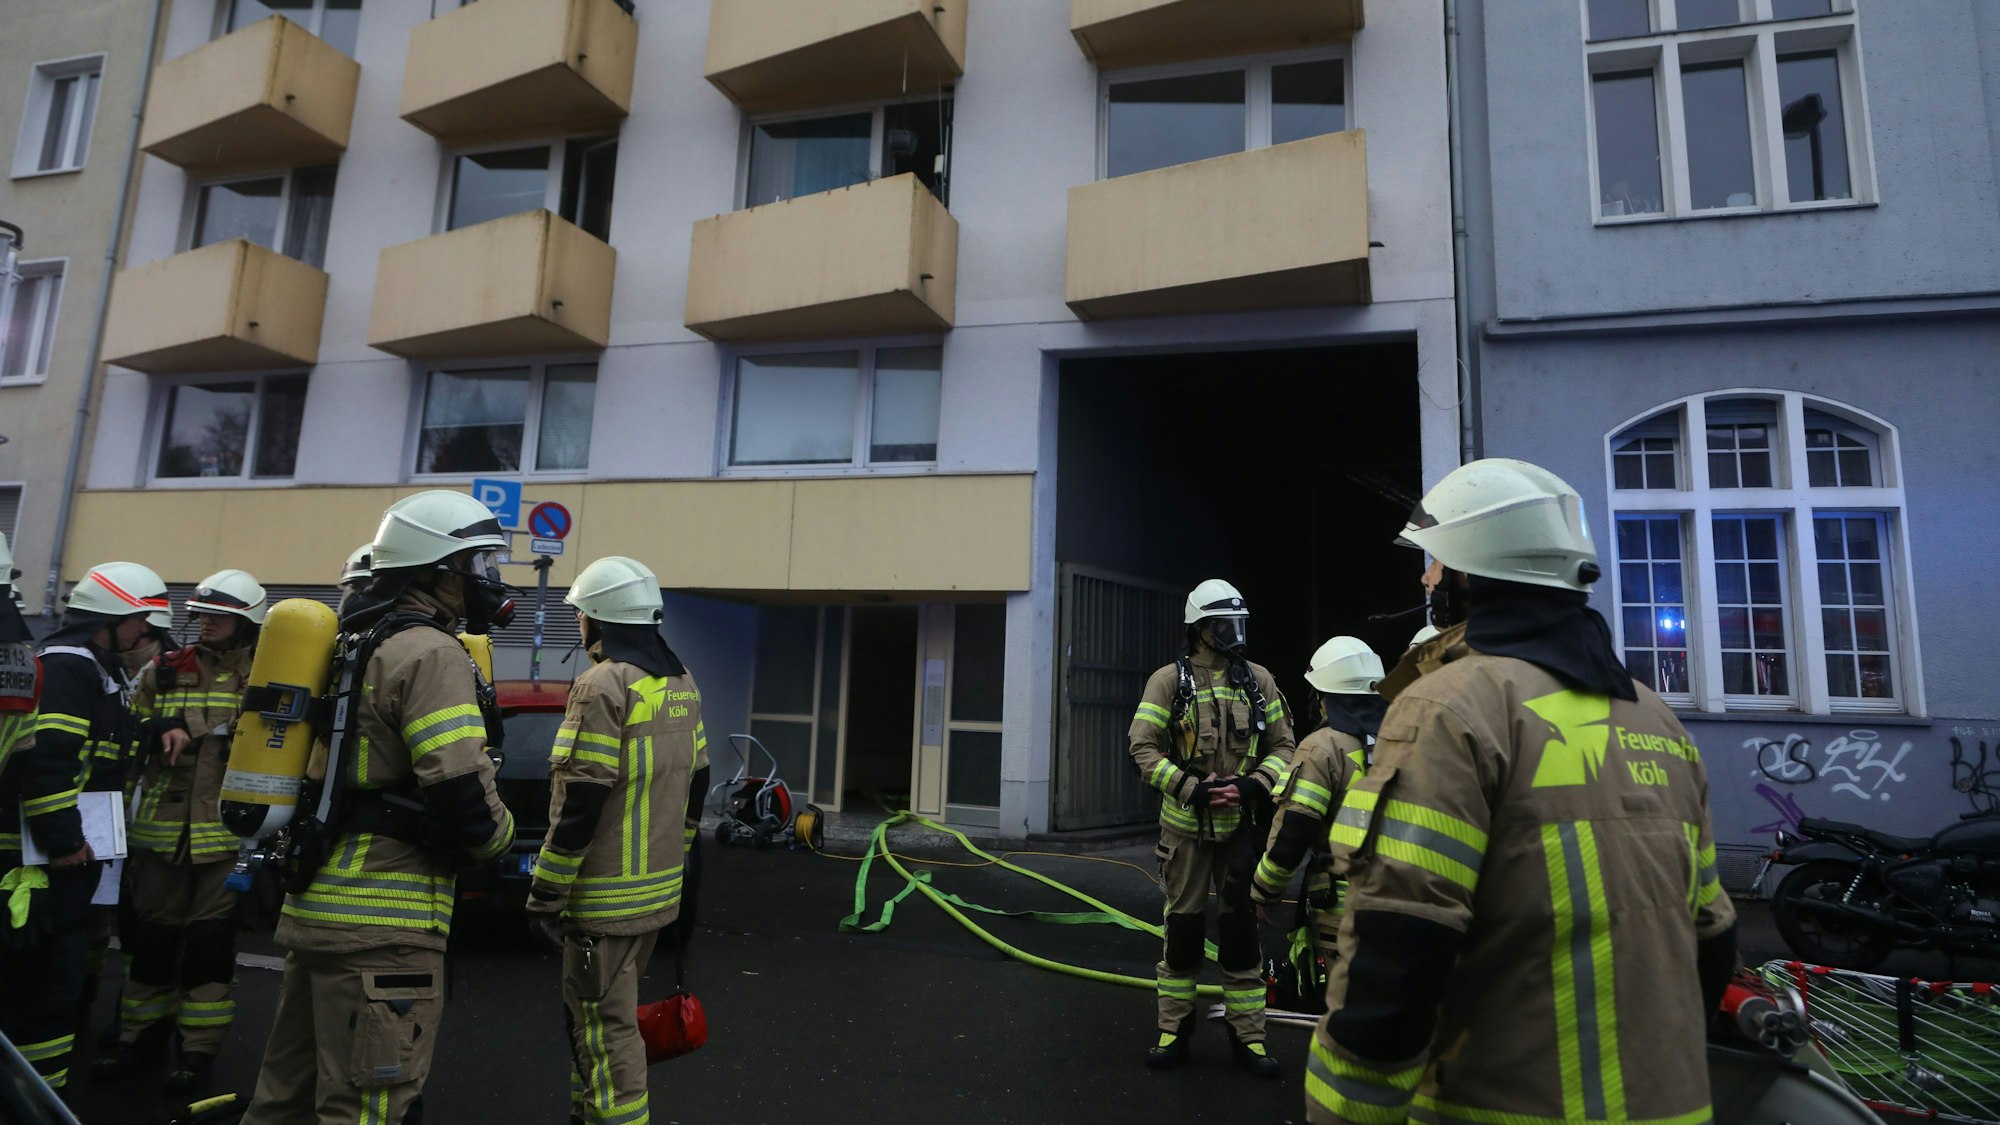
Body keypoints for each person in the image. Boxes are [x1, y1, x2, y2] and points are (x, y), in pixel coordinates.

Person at [1308, 459, 1737, 1125]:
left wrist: (1345, 1112)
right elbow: (1711, 935)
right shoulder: (1659, 721)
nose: (1427, 578)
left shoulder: (1451, 709)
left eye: (1436, 563)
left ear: (1472, 574)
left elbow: (1403, 941)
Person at [241, 491, 516, 1125]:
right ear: (436, 569)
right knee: (366, 1107)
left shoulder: (352, 639)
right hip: (384, 926)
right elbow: (460, 790)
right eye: (477, 563)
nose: (488, 578)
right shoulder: (429, 652)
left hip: (318, 905)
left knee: (283, 1099)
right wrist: (498, 845)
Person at [525, 556, 709, 1125]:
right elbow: (698, 781)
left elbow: (581, 801)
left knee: (605, 1032)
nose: (579, 625)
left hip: (602, 901)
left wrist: (545, 895)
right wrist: (676, 859)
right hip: (655, 895)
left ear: (597, 619)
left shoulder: (603, 683)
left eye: (580, 615)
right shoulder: (680, 682)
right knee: (603, 1023)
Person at [0, 560, 169, 1095]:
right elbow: (48, 760)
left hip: (60, 859)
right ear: (116, 615)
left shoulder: (94, 668)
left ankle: (37, 1092)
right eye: (142, 621)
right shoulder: (71, 667)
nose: (146, 634)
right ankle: (32, 1099)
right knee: (45, 989)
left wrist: (158, 727)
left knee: (55, 985)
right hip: (45, 863)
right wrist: (64, 841)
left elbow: (102, 745)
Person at [94, 570, 267, 1092]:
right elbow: (125, 737)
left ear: (247, 622)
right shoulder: (165, 669)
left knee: (209, 950)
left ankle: (197, 1054)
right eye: (202, 614)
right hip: (159, 837)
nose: (205, 622)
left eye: (220, 616)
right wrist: (150, 733)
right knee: (151, 944)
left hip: (226, 838)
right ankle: (139, 1040)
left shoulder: (270, 674)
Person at [1128, 578, 1295, 1076]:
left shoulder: (1259, 680)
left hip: (1239, 830)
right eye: (1224, 624)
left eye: (1238, 623)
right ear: (1199, 629)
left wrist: (1252, 786)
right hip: (1184, 835)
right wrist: (1191, 788)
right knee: (1181, 931)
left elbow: (1286, 747)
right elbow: (1142, 748)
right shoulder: (1167, 682)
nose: (1233, 633)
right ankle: (1173, 1030)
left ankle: (1249, 1038)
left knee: (1242, 932)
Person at [1251, 636, 1385, 963]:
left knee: (1342, 1006)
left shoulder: (1322, 748)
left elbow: (1293, 831)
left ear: (1325, 698)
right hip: (1405, 900)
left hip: (1344, 908)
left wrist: (1264, 890)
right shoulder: (1408, 737)